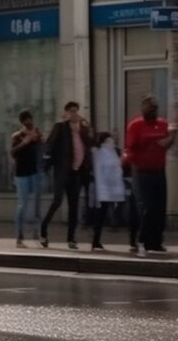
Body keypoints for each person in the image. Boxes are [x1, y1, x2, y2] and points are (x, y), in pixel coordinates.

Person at [124, 94, 176, 256]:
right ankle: (141, 241)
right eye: (149, 107)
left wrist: (172, 136)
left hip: (158, 170)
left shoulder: (163, 124)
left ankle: (156, 242)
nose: (152, 110)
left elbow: (165, 144)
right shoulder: (135, 125)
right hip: (141, 171)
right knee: (145, 207)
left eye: (154, 108)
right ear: (143, 108)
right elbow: (130, 147)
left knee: (159, 208)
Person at [40, 102, 93, 249]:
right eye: (71, 111)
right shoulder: (61, 127)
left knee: (73, 205)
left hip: (76, 172)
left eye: (76, 111)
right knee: (57, 201)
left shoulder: (82, 129)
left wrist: (87, 128)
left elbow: (90, 144)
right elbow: (49, 146)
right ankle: (43, 229)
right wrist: (46, 165)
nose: (74, 114)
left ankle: (71, 238)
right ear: (66, 113)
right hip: (62, 171)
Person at [89, 132, 131, 252]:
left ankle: (97, 240)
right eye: (110, 139)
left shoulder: (113, 152)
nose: (112, 141)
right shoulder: (100, 153)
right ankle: (95, 240)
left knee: (104, 213)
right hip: (104, 189)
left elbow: (117, 168)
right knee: (101, 215)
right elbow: (101, 171)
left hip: (112, 189)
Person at [10, 110, 44, 248]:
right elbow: (12, 152)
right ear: (22, 123)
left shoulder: (37, 134)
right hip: (22, 174)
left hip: (36, 173)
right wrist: (24, 142)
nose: (29, 123)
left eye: (30, 120)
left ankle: (37, 231)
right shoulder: (17, 136)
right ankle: (19, 234)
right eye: (26, 121)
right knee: (22, 204)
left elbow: (44, 149)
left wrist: (40, 139)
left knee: (37, 204)